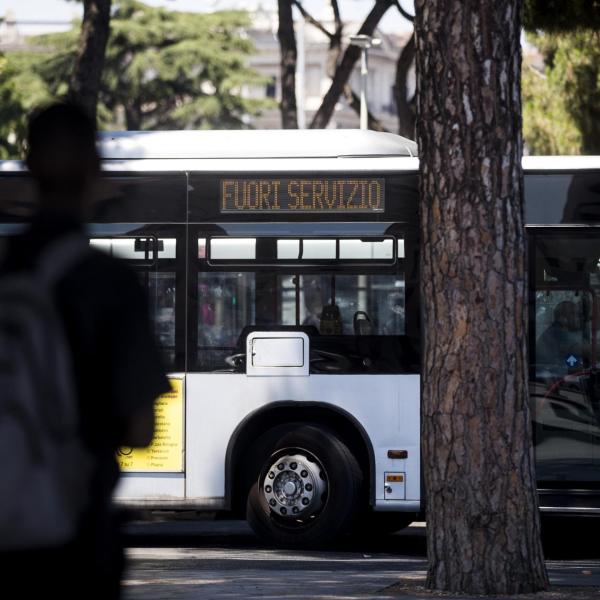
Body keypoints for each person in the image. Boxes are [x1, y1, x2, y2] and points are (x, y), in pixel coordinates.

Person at [0, 103, 170, 599]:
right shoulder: (108, 283)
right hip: (74, 540)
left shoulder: (6, 274)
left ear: (28, 165)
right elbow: (140, 429)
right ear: (94, 168)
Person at [536, 300, 587, 373]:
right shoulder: (558, 333)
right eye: (574, 314)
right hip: (549, 376)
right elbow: (583, 350)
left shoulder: (560, 331)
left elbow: (570, 359)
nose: (579, 318)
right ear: (563, 319)